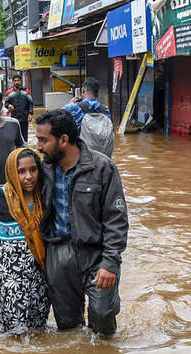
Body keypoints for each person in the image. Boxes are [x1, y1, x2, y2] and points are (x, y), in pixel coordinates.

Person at [33, 109, 128, 336]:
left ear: (63, 140)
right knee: (68, 325)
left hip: (96, 254)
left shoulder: (102, 168)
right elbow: (17, 189)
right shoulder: (42, 169)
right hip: (58, 254)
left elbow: (117, 220)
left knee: (102, 316)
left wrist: (110, 263)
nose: (38, 146)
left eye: (44, 140)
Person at [0, 147, 50, 334]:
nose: (28, 177)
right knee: (13, 331)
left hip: (40, 275)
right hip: (9, 277)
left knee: (37, 329)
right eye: (21, 171)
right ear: (11, 172)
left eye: (33, 170)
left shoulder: (45, 195)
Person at [63, 77, 115, 157]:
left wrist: (69, 104)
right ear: (97, 94)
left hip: (83, 158)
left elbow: (58, 118)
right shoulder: (105, 110)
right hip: (103, 157)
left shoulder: (75, 107)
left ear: (83, 91)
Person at [3, 74, 35, 141]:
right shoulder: (8, 92)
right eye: (15, 81)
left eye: (18, 80)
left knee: (24, 137)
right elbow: (5, 103)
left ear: (21, 81)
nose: (17, 82)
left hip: (24, 118)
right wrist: (9, 105)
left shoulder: (26, 91)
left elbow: (30, 103)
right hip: (13, 118)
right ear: (13, 82)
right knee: (14, 136)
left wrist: (30, 114)